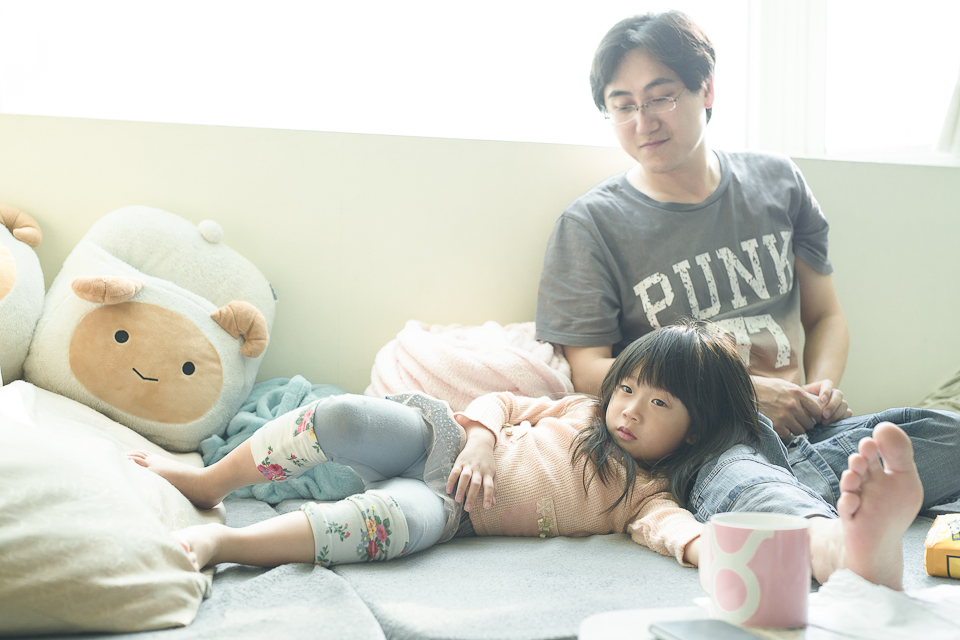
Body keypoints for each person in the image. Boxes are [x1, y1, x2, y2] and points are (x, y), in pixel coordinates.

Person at [131, 322, 946, 591]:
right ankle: (208, 480)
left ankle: (224, 541)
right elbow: (500, 403)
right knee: (343, 415)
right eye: (630, 390)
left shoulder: (646, 494)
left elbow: (675, 532)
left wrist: (711, 549)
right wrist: (484, 442)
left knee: (377, 524)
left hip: (453, 511)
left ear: (693, 435)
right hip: (446, 444)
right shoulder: (580, 409)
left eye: (660, 406)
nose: (631, 411)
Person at [535, 10, 851, 438]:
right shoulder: (590, 225)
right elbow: (587, 370)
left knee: (929, 431)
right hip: (700, 442)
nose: (643, 123)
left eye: (661, 97)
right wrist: (738, 395)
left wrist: (821, 392)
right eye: (623, 106)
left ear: (707, 89)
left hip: (802, 426)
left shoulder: (780, 181)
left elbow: (825, 315)